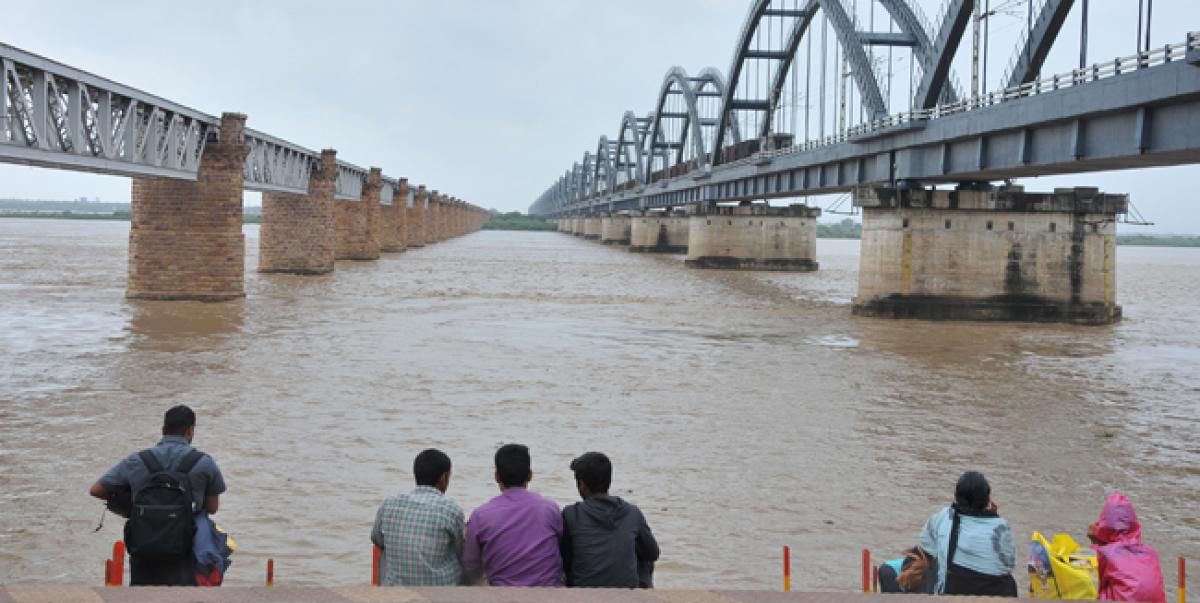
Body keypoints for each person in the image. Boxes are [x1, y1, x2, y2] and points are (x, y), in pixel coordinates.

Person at [89, 405, 226, 586]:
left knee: (143, 596)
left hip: (144, 550)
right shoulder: (204, 463)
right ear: (190, 431)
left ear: (163, 430)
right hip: (186, 552)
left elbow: (96, 490)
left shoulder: (137, 460)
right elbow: (212, 508)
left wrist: (132, 504)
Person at [462, 444, 562, 586]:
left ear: (496, 476)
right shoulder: (551, 509)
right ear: (530, 475)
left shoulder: (481, 515)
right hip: (549, 596)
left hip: (503, 595)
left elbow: (470, 566)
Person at [560, 452, 659, 588]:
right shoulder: (632, 513)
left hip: (583, 594)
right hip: (626, 595)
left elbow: (564, 559)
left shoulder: (571, 514)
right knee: (641, 552)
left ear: (581, 484)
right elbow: (653, 553)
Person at [370, 448, 465, 586]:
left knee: (386, 548)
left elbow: (376, 539)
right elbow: (461, 551)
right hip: (440, 592)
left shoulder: (389, 503)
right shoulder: (450, 509)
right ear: (443, 478)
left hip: (395, 591)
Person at [917, 470, 1017, 596]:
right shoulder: (1002, 526)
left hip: (954, 592)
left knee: (935, 564)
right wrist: (994, 515)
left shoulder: (944, 517)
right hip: (997, 593)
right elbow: (1010, 565)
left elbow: (925, 547)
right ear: (987, 499)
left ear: (956, 496)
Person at [1088, 493, 1166, 603]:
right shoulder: (1151, 553)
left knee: (1090, 587)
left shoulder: (1103, 553)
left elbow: (1090, 577)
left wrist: (1094, 539)